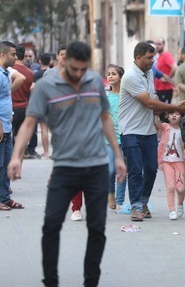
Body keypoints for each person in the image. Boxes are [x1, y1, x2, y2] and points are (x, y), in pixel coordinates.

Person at [7, 41, 127, 286]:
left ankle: (90, 280)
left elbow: (104, 118)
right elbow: (29, 123)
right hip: (64, 167)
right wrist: (17, 156)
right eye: (74, 70)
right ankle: (51, 280)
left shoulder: (94, 82)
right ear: (64, 61)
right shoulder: (46, 87)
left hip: (96, 166)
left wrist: (117, 154)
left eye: (84, 69)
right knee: (51, 225)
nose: (79, 75)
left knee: (97, 227)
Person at [119, 41, 185, 222]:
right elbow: (149, 103)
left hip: (148, 130)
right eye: (149, 58)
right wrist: (174, 107)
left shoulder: (149, 73)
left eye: (153, 57)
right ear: (138, 58)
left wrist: (158, 105)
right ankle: (136, 207)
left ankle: (143, 202)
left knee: (151, 168)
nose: (153, 61)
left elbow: (153, 98)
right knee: (135, 169)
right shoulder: (130, 77)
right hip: (131, 130)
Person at [0, 41, 23, 211]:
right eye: (13, 54)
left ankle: (5, 198)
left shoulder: (6, 73)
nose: (16, 57)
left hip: (7, 126)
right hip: (1, 127)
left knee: (6, 164)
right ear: (2, 55)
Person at [155, 111, 185, 220]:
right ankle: (172, 210)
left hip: (180, 162)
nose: (174, 116)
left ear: (181, 117)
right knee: (170, 187)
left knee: (180, 189)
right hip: (166, 161)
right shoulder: (165, 127)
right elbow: (156, 122)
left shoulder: (184, 130)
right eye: (171, 114)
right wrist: (155, 112)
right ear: (168, 117)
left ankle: (180, 204)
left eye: (177, 114)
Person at [106, 64, 126, 211]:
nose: (110, 76)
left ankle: (120, 201)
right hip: (108, 139)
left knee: (122, 170)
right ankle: (110, 193)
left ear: (121, 77)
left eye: (114, 74)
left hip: (124, 137)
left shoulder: (126, 96)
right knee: (110, 170)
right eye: (109, 74)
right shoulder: (106, 96)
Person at [12, 45, 37, 159]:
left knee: (7, 139)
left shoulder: (10, 70)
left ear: (15, 55)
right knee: (20, 140)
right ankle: (19, 167)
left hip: (11, 108)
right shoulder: (30, 73)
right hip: (24, 108)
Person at [33, 53, 54, 159]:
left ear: (39, 61)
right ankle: (55, 152)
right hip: (52, 103)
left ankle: (46, 153)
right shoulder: (53, 73)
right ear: (50, 61)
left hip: (41, 103)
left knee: (44, 129)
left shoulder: (36, 75)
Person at [153, 37, 177, 104]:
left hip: (165, 89)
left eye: (159, 44)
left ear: (164, 45)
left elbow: (175, 67)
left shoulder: (166, 55)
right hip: (159, 88)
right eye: (156, 44)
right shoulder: (159, 56)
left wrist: (167, 78)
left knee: (164, 112)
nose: (157, 46)